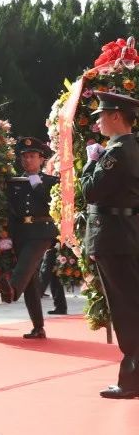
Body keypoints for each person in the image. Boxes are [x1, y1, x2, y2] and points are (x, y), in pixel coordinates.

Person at [81, 91, 139, 399]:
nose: (98, 121)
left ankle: (131, 381)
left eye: (101, 115)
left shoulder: (117, 152)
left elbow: (91, 192)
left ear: (116, 115)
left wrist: (91, 162)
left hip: (115, 238)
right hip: (125, 236)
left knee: (127, 310)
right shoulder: (131, 148)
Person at [2, 137, 59, 340]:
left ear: (41, 159)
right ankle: (38, 327)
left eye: (33, 156)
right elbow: (9, 210)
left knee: (26, 263)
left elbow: (54, 204)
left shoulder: (52, 181)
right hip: (21, 232)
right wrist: (6, 235)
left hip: (42, 231)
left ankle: (12, 291)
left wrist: (38, 185)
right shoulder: (14, 182)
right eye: (24, 157)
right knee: (32, 280)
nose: (28, 160)